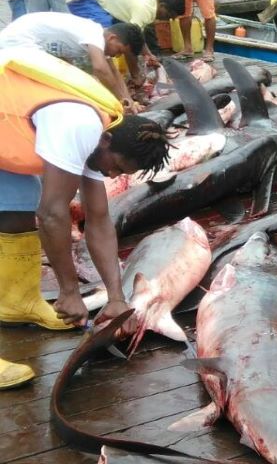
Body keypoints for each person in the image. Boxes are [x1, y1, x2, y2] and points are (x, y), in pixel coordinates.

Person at [0, 48, 170, 388]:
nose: (111, 173)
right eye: (117, 167)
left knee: (16, 210)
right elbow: (51, 214)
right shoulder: (79, 126)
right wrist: (68, 291)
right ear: (106, 142)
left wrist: (116, 298)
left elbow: (99, 220)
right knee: (41, 206)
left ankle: (16, 303)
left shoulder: (104, 137)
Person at [0, 11, 145, 111]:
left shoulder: (99, 40)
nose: (116, 55)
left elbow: (113, 73)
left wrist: (129, 101)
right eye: (119, 51)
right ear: (112, 38)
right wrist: (121, 101)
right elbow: (101, 70)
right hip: (18, 41)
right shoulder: (93, 33)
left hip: (28, 41)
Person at [66, 0, 185, 76]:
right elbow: (129, 42)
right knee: (105, 37)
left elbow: (137, 33)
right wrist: (136, 74)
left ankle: (113, 74)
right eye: (170, 15)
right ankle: (102, 74)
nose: (170, 19)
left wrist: (147, 54)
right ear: (163, 6)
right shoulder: (146, 9)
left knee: (116, 37)